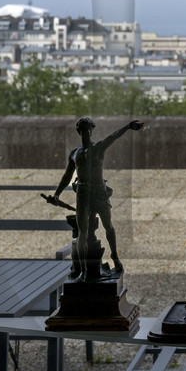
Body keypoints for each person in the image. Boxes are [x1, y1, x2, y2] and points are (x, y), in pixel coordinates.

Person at [45, 116, 144, 276]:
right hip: (83, 193)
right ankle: (84, 271)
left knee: (108, 225)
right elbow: (67, 176)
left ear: (92, 131)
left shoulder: (98, 148)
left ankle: (115, 256)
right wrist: (57, 194)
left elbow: (113, 136)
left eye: (89, 129)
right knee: (82, 232)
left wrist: (128, 127)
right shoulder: (74, 154)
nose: (87, 132)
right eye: (84, 129)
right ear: (79, 132)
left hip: (99, 192)